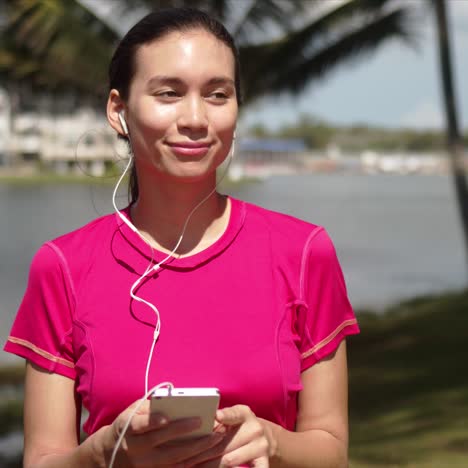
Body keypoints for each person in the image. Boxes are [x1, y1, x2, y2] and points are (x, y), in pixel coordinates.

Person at [4, 7, 359, 468]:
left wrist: (271, 441)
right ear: (119, 111)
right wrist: (103, 451)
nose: (196, 118)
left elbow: (331, 449)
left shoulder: (304, 252)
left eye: (218, 94)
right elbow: (42, 460)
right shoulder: (63, 266)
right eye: (168, 93)